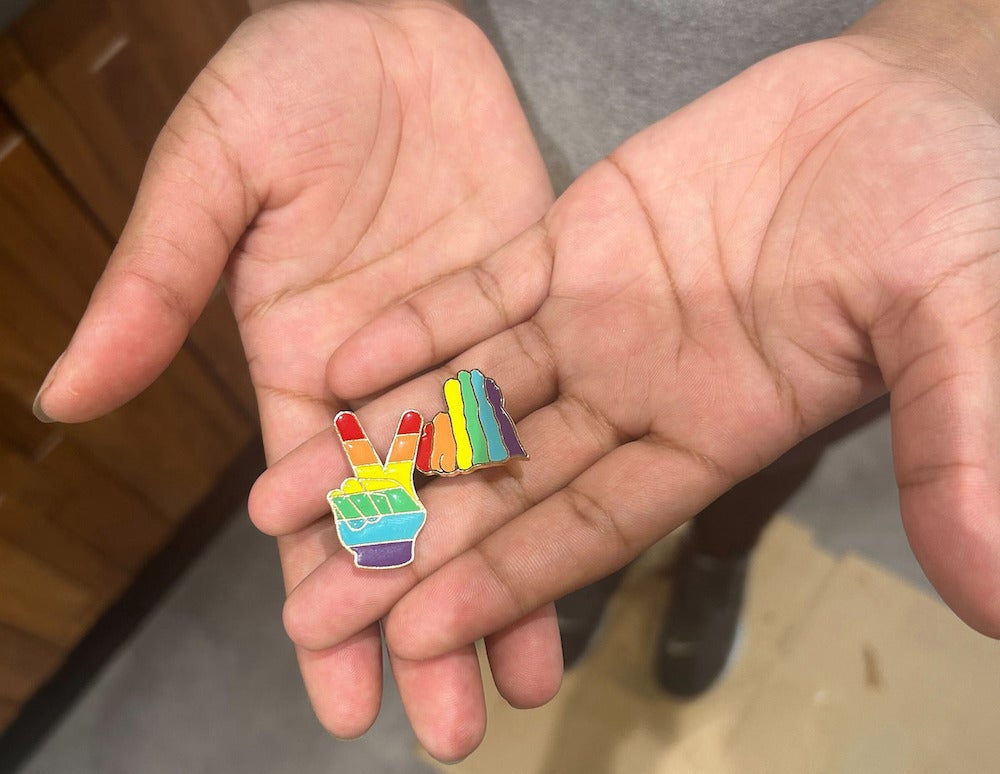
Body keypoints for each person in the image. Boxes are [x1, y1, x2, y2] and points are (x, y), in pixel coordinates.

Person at [32, 0, 1000, 763]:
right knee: (567, 488)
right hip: (485, 163)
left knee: (764, 441)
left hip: (815, 236)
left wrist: (958, 43)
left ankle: (718, 558)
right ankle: (585, 573)